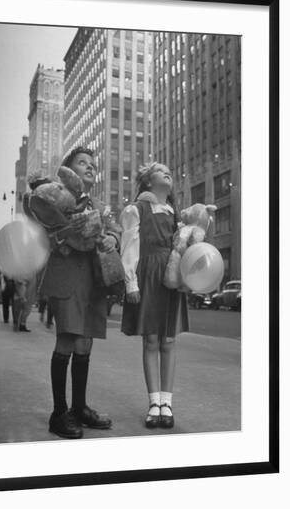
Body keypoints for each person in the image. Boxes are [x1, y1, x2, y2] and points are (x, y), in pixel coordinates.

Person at [39, 147, 120, 439]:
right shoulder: (55, 199)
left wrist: (111, 237)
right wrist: (67, 232)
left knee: (85, 343)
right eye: (82, 163)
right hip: (66, 277)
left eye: (93, 164)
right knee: (67, 340)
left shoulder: (98, 203)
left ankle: (79, 407)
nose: (89, 167)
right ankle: (58, 413)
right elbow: (45, 235)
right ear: (68, 170)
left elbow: (115, 229)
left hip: (94, 280)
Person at [120, 162, 189, 429]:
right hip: (148, 274)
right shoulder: (135, 210)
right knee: (151, 339)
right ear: (148, 182)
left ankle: (167, 404)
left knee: (169, 339)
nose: (168, 172)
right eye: (161, 171)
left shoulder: (177, 214)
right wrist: (131, 283)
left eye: (169, 170)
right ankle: (153, 402)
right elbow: (129, 247)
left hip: (171, 275)